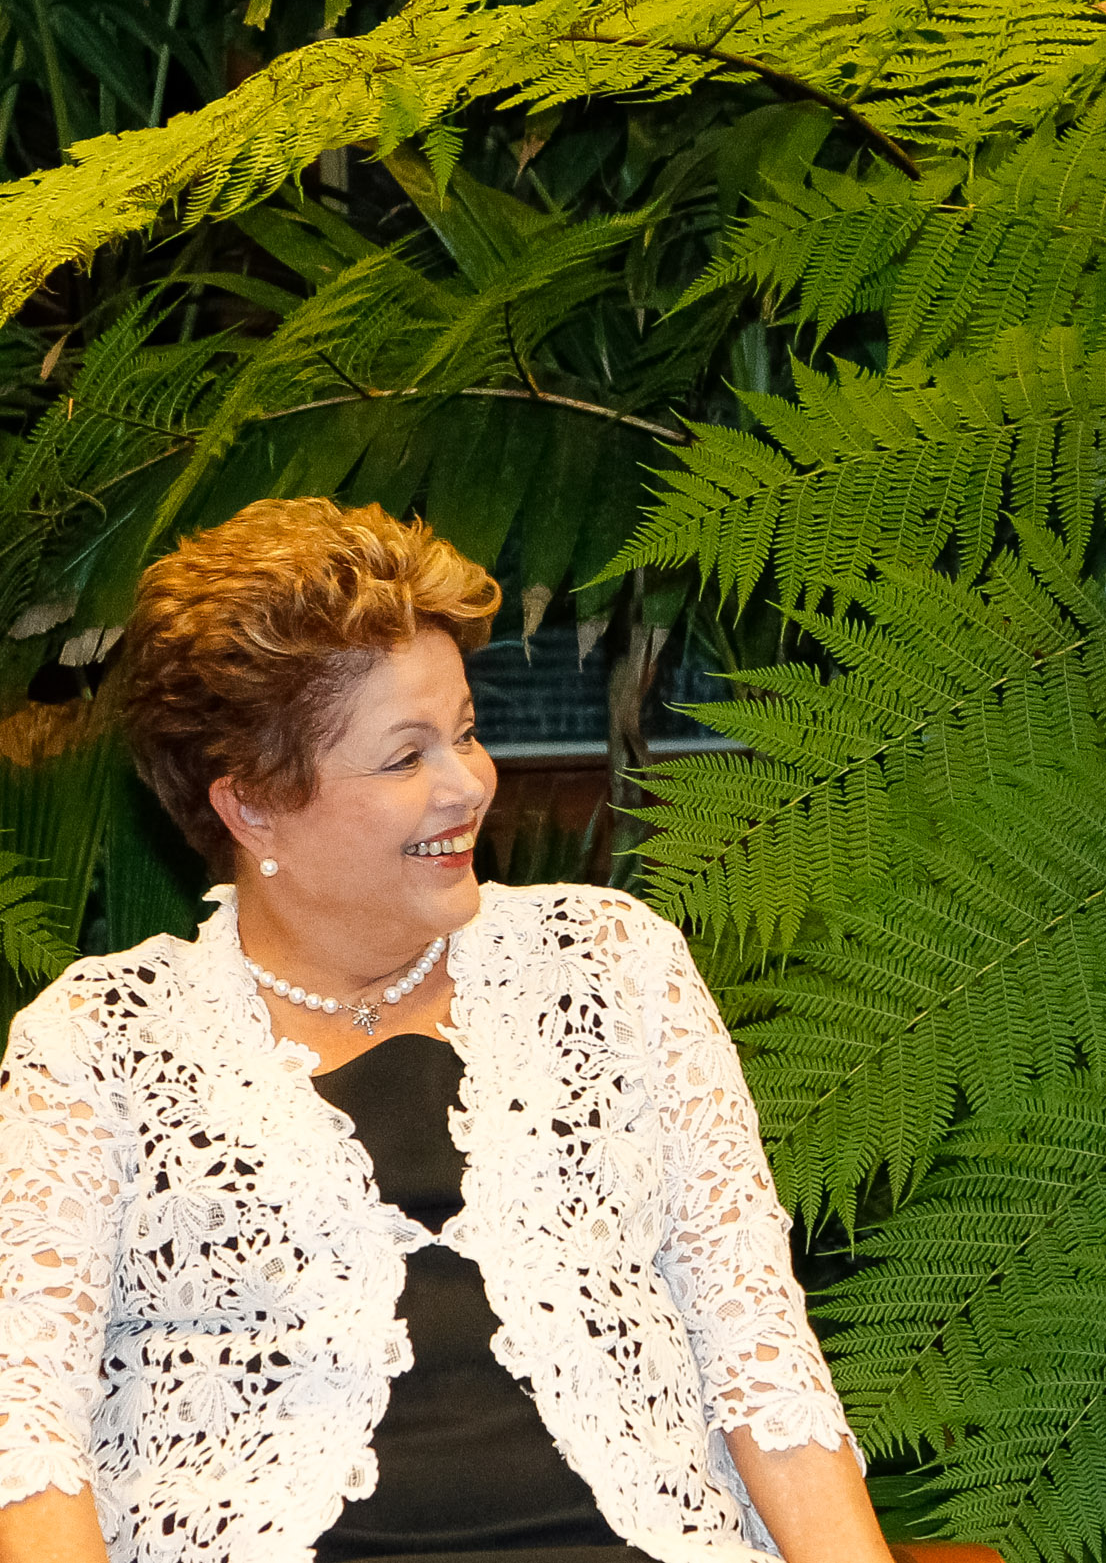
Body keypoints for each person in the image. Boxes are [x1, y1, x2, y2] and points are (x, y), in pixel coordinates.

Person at [0, 499, 892, 1563]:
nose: (468, 783)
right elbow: (28, 1438)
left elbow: (764, 1366)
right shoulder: (101, 1042)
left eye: (464, 731)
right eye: (402, 757)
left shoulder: (613, 965)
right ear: (253, 808)